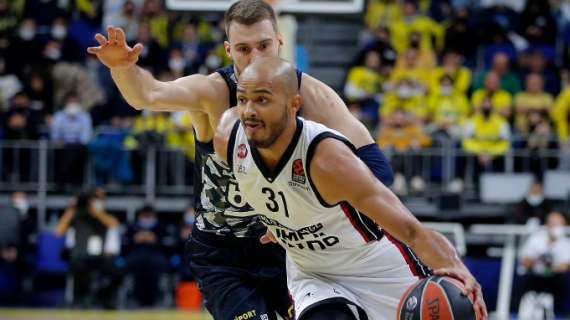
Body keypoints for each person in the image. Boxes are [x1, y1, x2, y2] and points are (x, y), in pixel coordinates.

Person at [87, 0, 394, 318]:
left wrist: (321, 209)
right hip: (222, 252)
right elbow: (147, 95)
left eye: (263, 46)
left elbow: (376, 170)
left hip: (287, 249)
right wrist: (123, 68)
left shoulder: (313, 97)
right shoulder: (212, 93)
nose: (255, 58)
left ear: (279, 43)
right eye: (244, 49)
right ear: (228, 50)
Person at [213, 56, 487, 320]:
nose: (249, 111)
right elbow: (264, 184)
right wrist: (287, 216)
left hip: (374, 266)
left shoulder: (328, 160)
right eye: (242, 99)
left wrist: (458, 270)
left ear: (293, 104)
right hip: (313, 273)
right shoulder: (228, 138)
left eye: (262, 100)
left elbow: (411, 230)